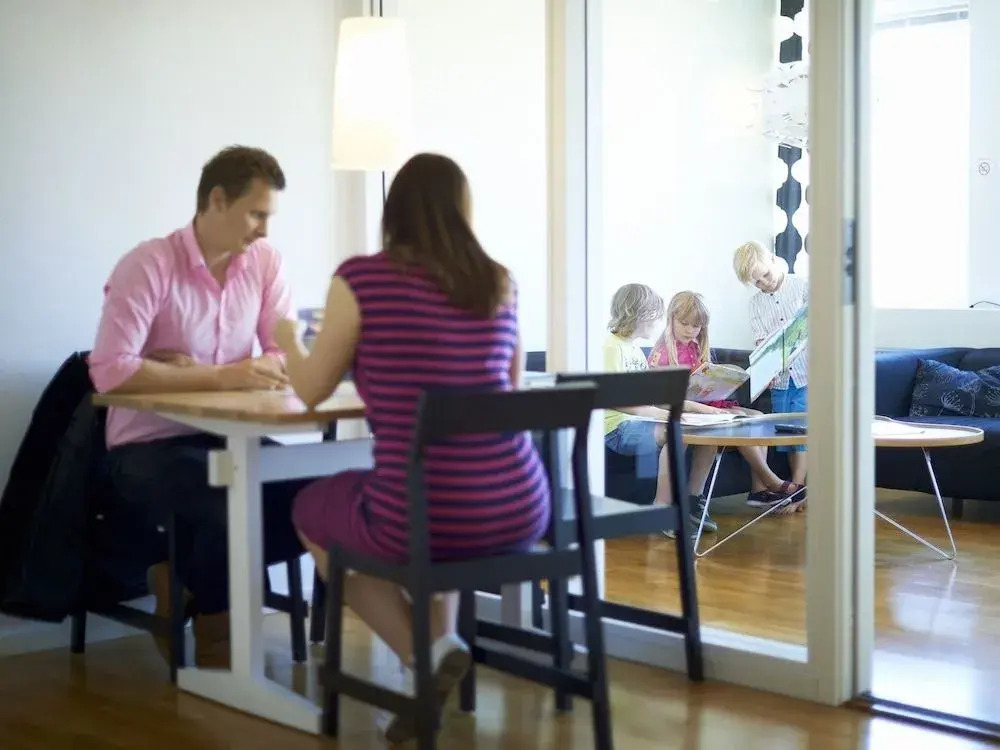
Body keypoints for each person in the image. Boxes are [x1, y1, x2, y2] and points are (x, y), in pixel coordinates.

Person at [274, 152, 550, 744]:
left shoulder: (361, 279)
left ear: (393, 212)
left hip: (431, 512)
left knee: (309, 510)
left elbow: (312, 389)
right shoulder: (499, 282)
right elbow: (508, 392)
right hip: (519, 505)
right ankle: (423, 669)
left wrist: (286, 340)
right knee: (438, 493)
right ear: (463, 211)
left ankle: (424, 656)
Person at [88, 145, 308, 669]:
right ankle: (217, 636)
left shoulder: (265, 264)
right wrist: (222, 375)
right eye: (256, 214)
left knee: (311, 497)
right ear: (217, 200)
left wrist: (235, 368)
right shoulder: (149, 264)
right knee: (227, 491)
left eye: (269, 217)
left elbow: (283, 354)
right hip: (146, 446)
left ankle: (179, 578)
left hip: (230, 437)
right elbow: (110, 369)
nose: (265, 230)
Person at [648, 291, 804, 511]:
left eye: (696, 326)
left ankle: (759, 489)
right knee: (737, 423)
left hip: (705, 405)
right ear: (671, 319)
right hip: (688, 410)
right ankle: (770, 481)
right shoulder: (662, 353)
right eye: (684, 323)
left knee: (758, 418)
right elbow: (662, 398)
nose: (690, 330)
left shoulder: (695, 346)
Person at [601, 283, 719, 537]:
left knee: (703, 431)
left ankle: (691, 503)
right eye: (653, 316)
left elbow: (654, 398)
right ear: (638, 315)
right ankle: (662, 510)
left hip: (637, 423)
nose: (657, 322)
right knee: (677, 432)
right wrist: (664, 415)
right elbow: (614, 400)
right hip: (615, 429)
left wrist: (698, 408)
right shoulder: (611, 347)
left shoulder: (634, 349)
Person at [733, 240, 809, 491]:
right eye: (757, 282)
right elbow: (761, 344)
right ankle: (794, 489)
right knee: (787, 435)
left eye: (765, 275)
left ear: (773, 260)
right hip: (780, 380)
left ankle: (797, 488)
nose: (764, 283)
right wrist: (765, 371)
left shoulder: (802, 286)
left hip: (807, 374)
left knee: (801, 433)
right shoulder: (755, 305)